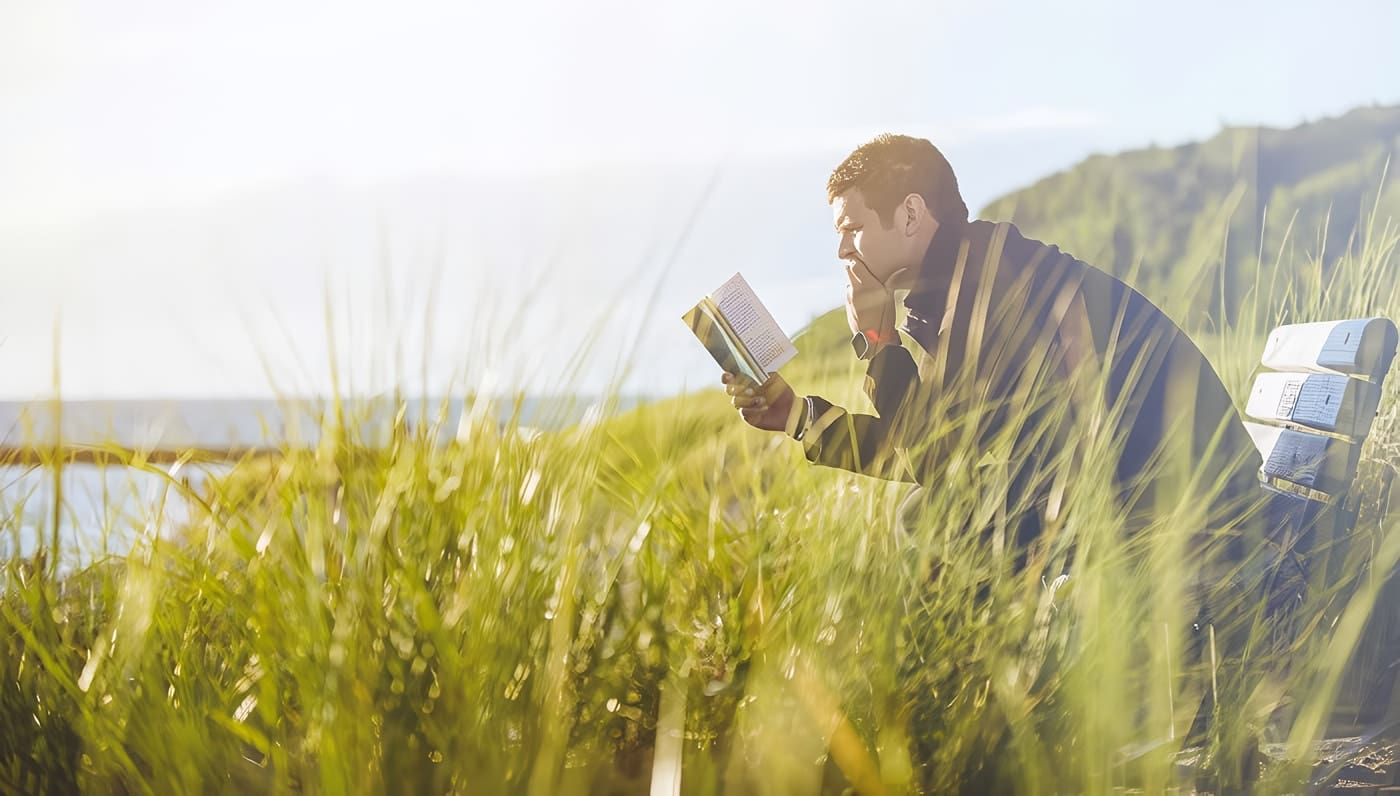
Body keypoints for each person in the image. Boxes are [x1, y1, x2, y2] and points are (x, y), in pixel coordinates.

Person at [720, 133, 1275, 788]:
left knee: (935, 525)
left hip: (1180, 514)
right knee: (934, 518)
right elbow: (943, 451)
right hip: (1142, 496)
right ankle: (975, 741)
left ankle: (980, 748)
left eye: (851, 229)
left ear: (909, 215)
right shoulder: (967, 277)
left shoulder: (989, 290)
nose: (841, 251)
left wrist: (875, 339)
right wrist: (796, 416)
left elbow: (933, 458)